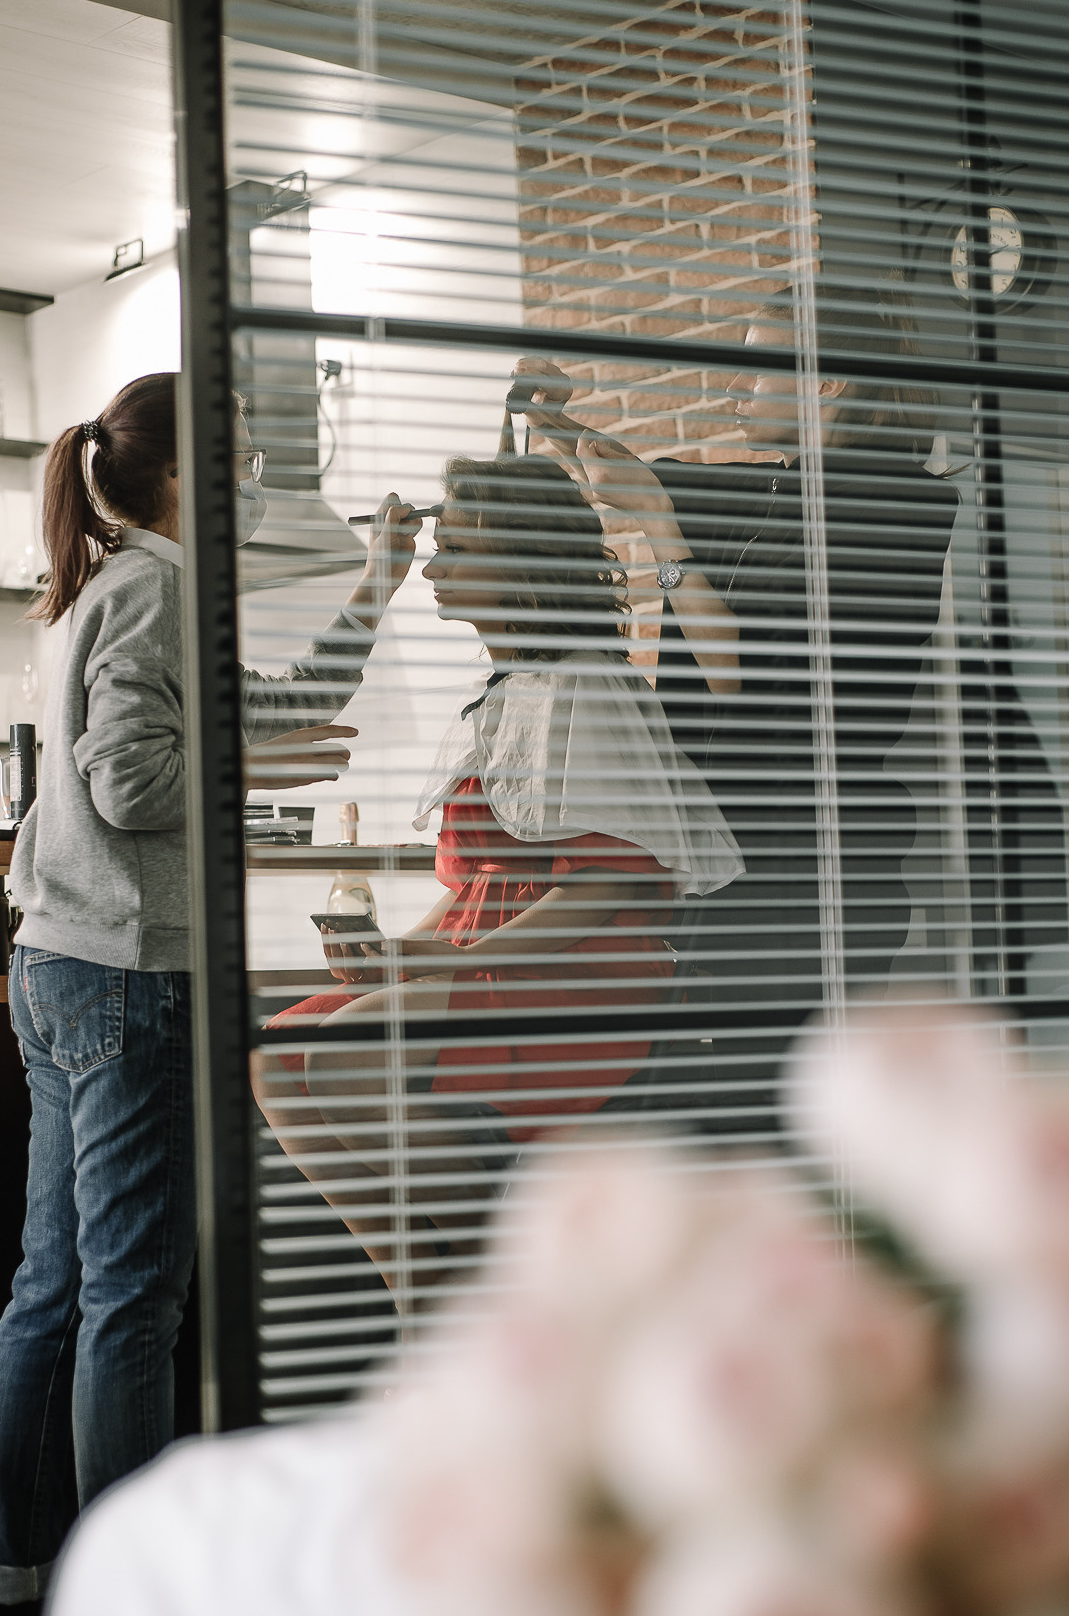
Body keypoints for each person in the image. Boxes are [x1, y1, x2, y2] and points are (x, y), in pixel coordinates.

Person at [0, 372, 415, 1616]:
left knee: (53, 1284)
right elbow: (131, 783)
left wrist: (375, 582)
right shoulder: (154, 591)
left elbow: (275, 705)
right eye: (239, 458)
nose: (252, 481)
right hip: (128, 968)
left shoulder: (107, 589)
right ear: (181, 472)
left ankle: (13, 1578)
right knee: (130, 1299)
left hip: (60, 962)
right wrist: (243, 769)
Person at [253, 455, 740, 1284]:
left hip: (575, 971)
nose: (432, 568)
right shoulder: (505, 694)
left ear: (518, 561)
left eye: (456, 549)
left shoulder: (590, 689)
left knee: (341, 1058)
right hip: (489, 959)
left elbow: (607, 885)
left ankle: (491, 1280)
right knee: (277, 1059)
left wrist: (453, 958)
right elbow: (470, 888)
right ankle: (413, 1275)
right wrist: (397, 954)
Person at [510, 282, 959, 1143]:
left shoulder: (894, 507)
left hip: (805, 873)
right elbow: (630, 474)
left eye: (753, 370)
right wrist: (552, 420)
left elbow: (741, 679)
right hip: (732, 859)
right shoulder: (774, 491)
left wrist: (661, 530)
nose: (731, 391)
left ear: (823, 381)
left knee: (763, 1129)